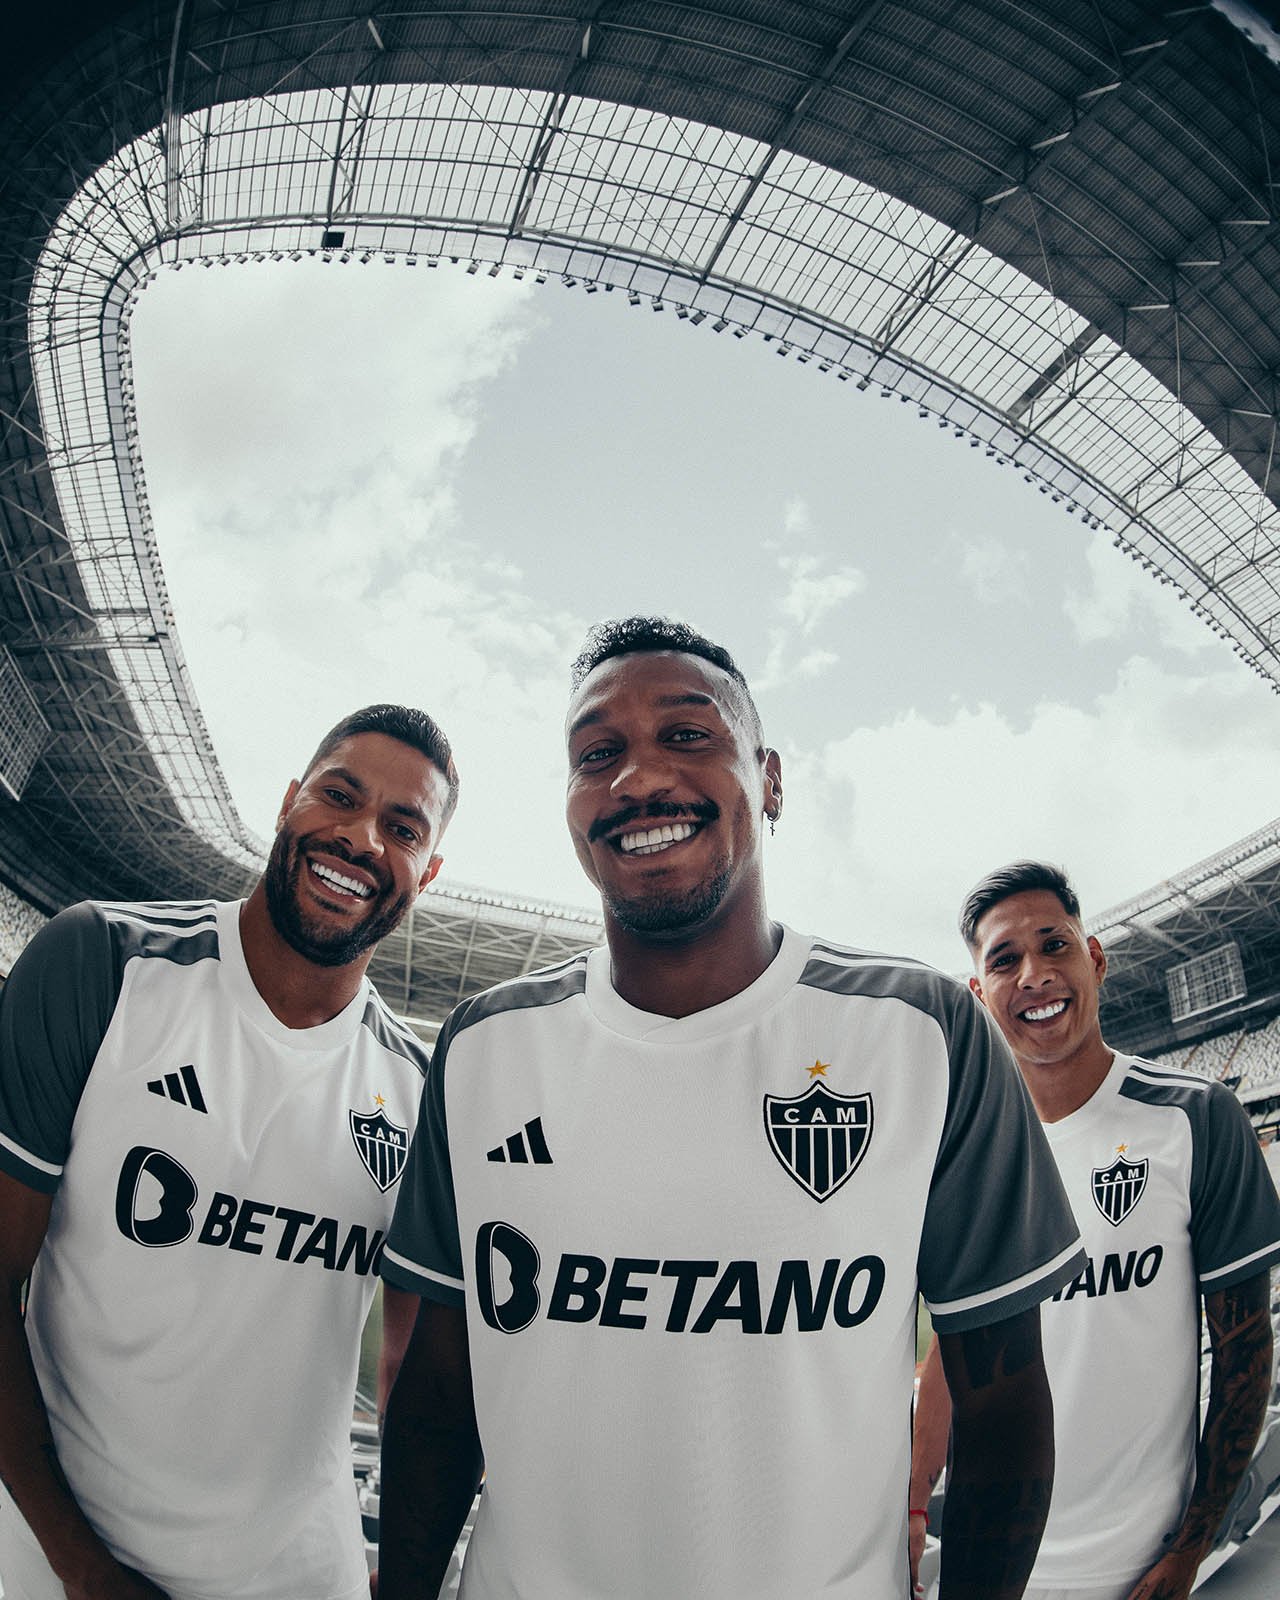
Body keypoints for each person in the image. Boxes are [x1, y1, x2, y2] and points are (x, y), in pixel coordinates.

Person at [377, 617, 1088, 1600]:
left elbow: (1001, 1393)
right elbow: (438, 1392)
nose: (635, 778)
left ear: (771, 777)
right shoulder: (483, 1045)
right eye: (597, 754)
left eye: (684, 734)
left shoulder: (919, 1030)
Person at [0, 703, 459, 1600]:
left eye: (402, 829)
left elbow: (419, 1376)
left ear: (427, 871)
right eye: (340, 795)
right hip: (50, 1558)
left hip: (297, 1576)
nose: (361, 837)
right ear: (290, 801)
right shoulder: (103, 964)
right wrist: (83, 1570)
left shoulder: (420, 1087)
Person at [909, 861, 1280, 1600]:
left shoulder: (1194, 1116)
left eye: (1055, 946)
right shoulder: (969, 1152)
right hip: (1001, 1566)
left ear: (1096, 958)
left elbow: (1244, 1347)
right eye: (1005, 960)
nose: (1035, 975)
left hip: (1142, 1568)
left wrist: (1188, 1551)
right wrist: (916, 1495)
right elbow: (961, 1346)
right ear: (981, 994)